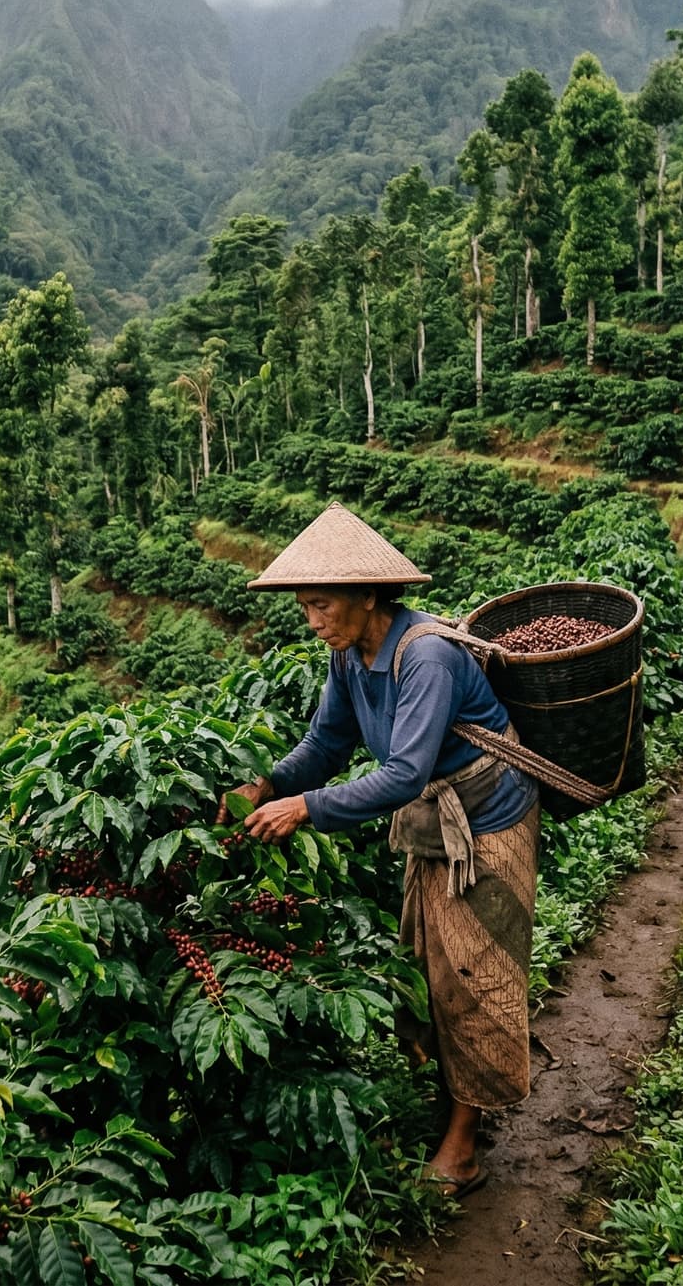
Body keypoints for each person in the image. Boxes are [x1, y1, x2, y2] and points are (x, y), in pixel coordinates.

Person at [221, 502, 536, 1198]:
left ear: (368, 595)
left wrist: (306, 807)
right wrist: (268, 782)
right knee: (430, 963)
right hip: (435, 827)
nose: (312, 619)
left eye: (322, 603)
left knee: (471, 975)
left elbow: (404, 773)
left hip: (488, 822)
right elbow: (328, 744)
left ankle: (462, 1147)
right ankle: (454, 1099)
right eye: (305, 605)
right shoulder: (351, 656)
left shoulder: (424, 655)